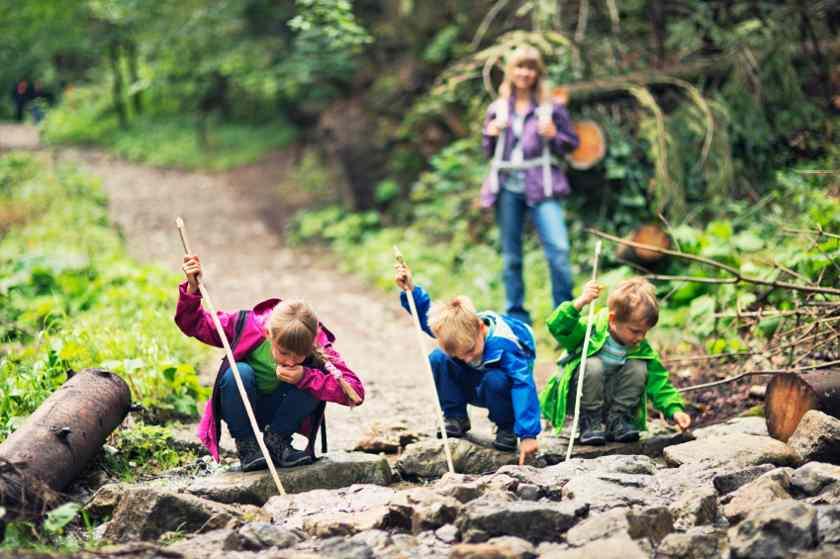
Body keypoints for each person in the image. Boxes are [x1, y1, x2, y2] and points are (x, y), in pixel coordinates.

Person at [176, 255, 365, 471]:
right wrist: (192, 288)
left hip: (283, 410)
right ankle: (248, 446)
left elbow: (355, 392)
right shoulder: (244, 325)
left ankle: (277, 441)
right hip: (246, 406)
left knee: (314, 375)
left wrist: (306, 377)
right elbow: (193, 324)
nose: (291, 361)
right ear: (268, 334)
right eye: (284, 352)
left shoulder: (318, 345)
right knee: (239, 372)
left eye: (299, 354)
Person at [395, 261, 541, 464]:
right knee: (438, 358)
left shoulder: (504, 345)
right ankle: (456, 417)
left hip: (499, 391)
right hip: (471, 384)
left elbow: (523, 385)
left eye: (470, 351)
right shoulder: (458, 331)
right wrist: (410, 289)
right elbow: (428, 317)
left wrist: (528, 434)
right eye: (460, 355)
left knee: (495, 378)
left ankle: (505, 427)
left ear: (481, 328)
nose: (467, 358)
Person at [480, 44, 580, 326]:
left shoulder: (551, 108)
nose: (524, 73)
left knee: (559, 251)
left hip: (542, 185)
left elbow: (570, 145)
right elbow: (488, 151)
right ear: (510, 72)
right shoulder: (497, 108)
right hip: (507, 187)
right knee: (512, 257)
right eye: (519, 67)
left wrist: (553, 135)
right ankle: (516, 318)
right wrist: (490, 134)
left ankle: (564, 318)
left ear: (537, 73)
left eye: (530, 68)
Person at [540, 278, 691, 445]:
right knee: (593, 365)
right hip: (583, 395)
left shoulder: (639, 347)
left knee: (639, 367)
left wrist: (675, 410)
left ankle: (618, 420)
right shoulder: (591, 329)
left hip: (612, 397)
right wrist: (580, 302)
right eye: (635, 331)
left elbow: (658, 382)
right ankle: (590, 423)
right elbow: (557, 326)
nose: (640, 338)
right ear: (613, 319)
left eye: (644, 332)